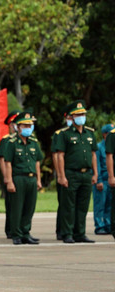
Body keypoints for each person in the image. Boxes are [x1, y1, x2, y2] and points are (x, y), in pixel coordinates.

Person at [54, 101, 97, 243]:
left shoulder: (89, 133)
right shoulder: (64, 134)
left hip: (86, 173)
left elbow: (93, 154)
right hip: (71, 173)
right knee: (69, 206)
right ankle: (67, 233)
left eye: (83, 114)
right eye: (78, 114)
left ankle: (80, 233)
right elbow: (60, 155)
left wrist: (95, 173)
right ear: (72, 117)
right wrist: (61, 176)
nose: (81, 117)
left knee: (83, 206)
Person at [4, 111, 42, 245]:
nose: (28, 128)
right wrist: (9, 181)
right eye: (25, 125)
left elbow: (37, 161)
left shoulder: (34, 142)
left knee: (29, 207)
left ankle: (26, 232)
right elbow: (8, 163)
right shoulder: (12, 142)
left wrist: (38, 180)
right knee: (17, 208)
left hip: (31, 178)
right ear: (18, 127)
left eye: (30, 125)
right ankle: (16, 234)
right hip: (18, 178)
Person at [51, 108, 73, 240]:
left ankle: (74, 230)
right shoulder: (60, 134)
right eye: (70, 117)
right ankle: (61, 230)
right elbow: (56, 155)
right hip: (65, 173)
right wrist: (60, 174)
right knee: (64, 204)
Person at [0, 111, 20, 239]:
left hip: (22, 175)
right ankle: (10, 229)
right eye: (15, 124)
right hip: (11, 176)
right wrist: (7, 177)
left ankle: (21, 229)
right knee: (11, 205)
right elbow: (2, 159)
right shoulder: (6, 140)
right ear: (10, 125)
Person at [94, 124, 113, 235]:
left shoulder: (112, 146)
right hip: (102, 179)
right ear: (104, 134)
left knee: (109, 205)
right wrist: (98, 180)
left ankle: (108, 224)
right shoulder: (99, 147)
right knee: (100, 204)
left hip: (110, 180)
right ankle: (99, 226)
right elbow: (97, 165)